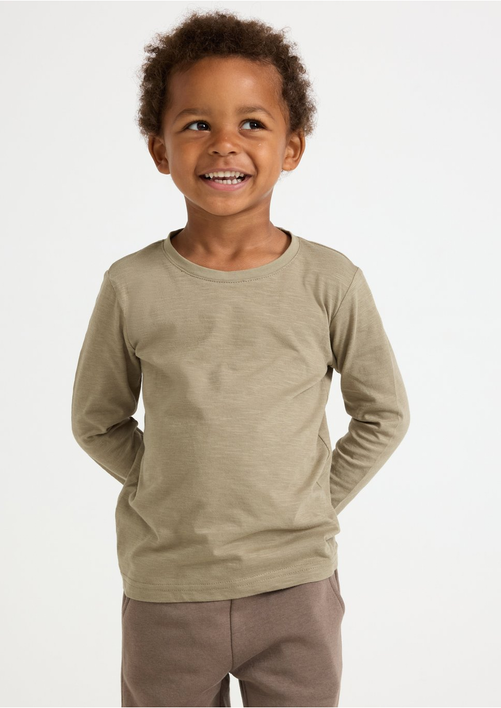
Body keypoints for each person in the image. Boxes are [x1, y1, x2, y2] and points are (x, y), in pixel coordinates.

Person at [71, 9, 410, 707]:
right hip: (168, 591)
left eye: (252, 123)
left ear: (292, 147)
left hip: (297, 588)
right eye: (197, 124)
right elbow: (97, 420)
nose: (224, 143)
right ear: (160, 149)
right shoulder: (131, 285)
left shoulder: (331, 281)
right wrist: (166, 482)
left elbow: (384, 414)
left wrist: (313, 497)